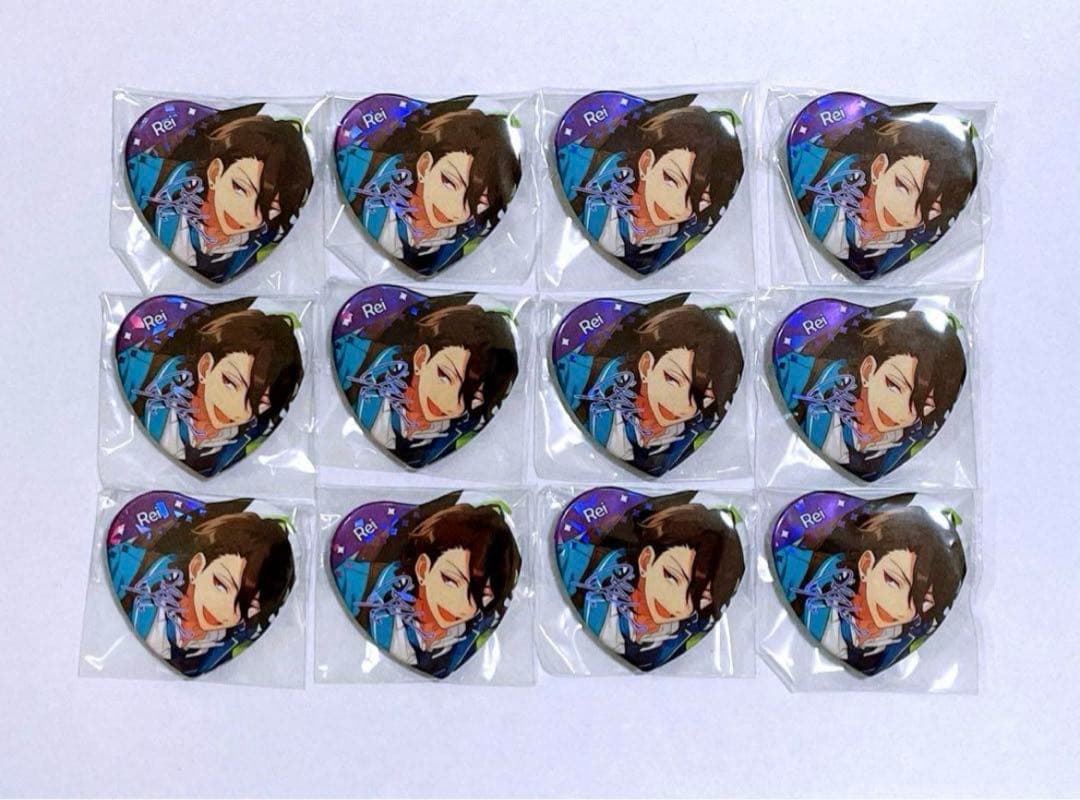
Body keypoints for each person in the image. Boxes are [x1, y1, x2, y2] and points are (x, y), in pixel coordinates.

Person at [333, 495, 520, 679]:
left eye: (482, 594)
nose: (460, 605)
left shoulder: (480, 627)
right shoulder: (353, 584)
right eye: (450, 579)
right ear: (423, 568)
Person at [776, 301, 965, 481]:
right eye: (893, 384)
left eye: (923, 404)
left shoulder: (915, 435)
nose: (900, 411)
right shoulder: (796, 376)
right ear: (868, 370)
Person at [555, 295, 743, 476]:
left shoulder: (700, 429)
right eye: (672, 378)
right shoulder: (576, 376)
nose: (682, 405)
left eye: (703, 396)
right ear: (646, 365)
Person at [773, 500, 965, 675]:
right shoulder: (794, 570)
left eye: (922, 601)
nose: (899, 608)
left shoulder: (910, 637)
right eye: (892, 580)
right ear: (866, 565)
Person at [788, 102, 978, 278]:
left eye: (931, 208)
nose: (906, 214)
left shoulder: (921, 238)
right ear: (879, 167)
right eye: (903, 185)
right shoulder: (807, 165)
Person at [107, 500, 295, 677]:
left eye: (247, 606)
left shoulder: (238, 637)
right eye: (220, 584)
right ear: (197, 567)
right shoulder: (127, 567)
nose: (225, 610)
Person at [117, 298, 304, 477]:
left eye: (260, 401)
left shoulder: (248, 437)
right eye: (230, 382)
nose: (236, 408)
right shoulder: (134, 372)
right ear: (205, 367)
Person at [127, 103, 313, 282]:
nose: (247, 215)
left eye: (270, 207)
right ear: (215, 172)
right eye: (240, 187)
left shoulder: (265, 238)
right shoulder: (144, 178)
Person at [558, 95, 743, 274]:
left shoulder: (692, 230)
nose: (677, 207)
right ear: (646, 163)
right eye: (671, 179)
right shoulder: (574, 168)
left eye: (701, 199)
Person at [336, 96, 521, 275]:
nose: (454, 209)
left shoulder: (470, 234)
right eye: (449, 181)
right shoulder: (354, 169)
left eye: (479, 200)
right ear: (425, 165)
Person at [558, 495, 744, 671]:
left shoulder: (694, 627)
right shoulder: (574, 564)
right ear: (646, 560)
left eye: (702, 596)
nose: (678, 604)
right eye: (671, 576)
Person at [333, 295, 518, 468]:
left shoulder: (466, 428)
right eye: (445, 375)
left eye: (472, 396)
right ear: (421, 358)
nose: (449, 402)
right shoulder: (351, 357)